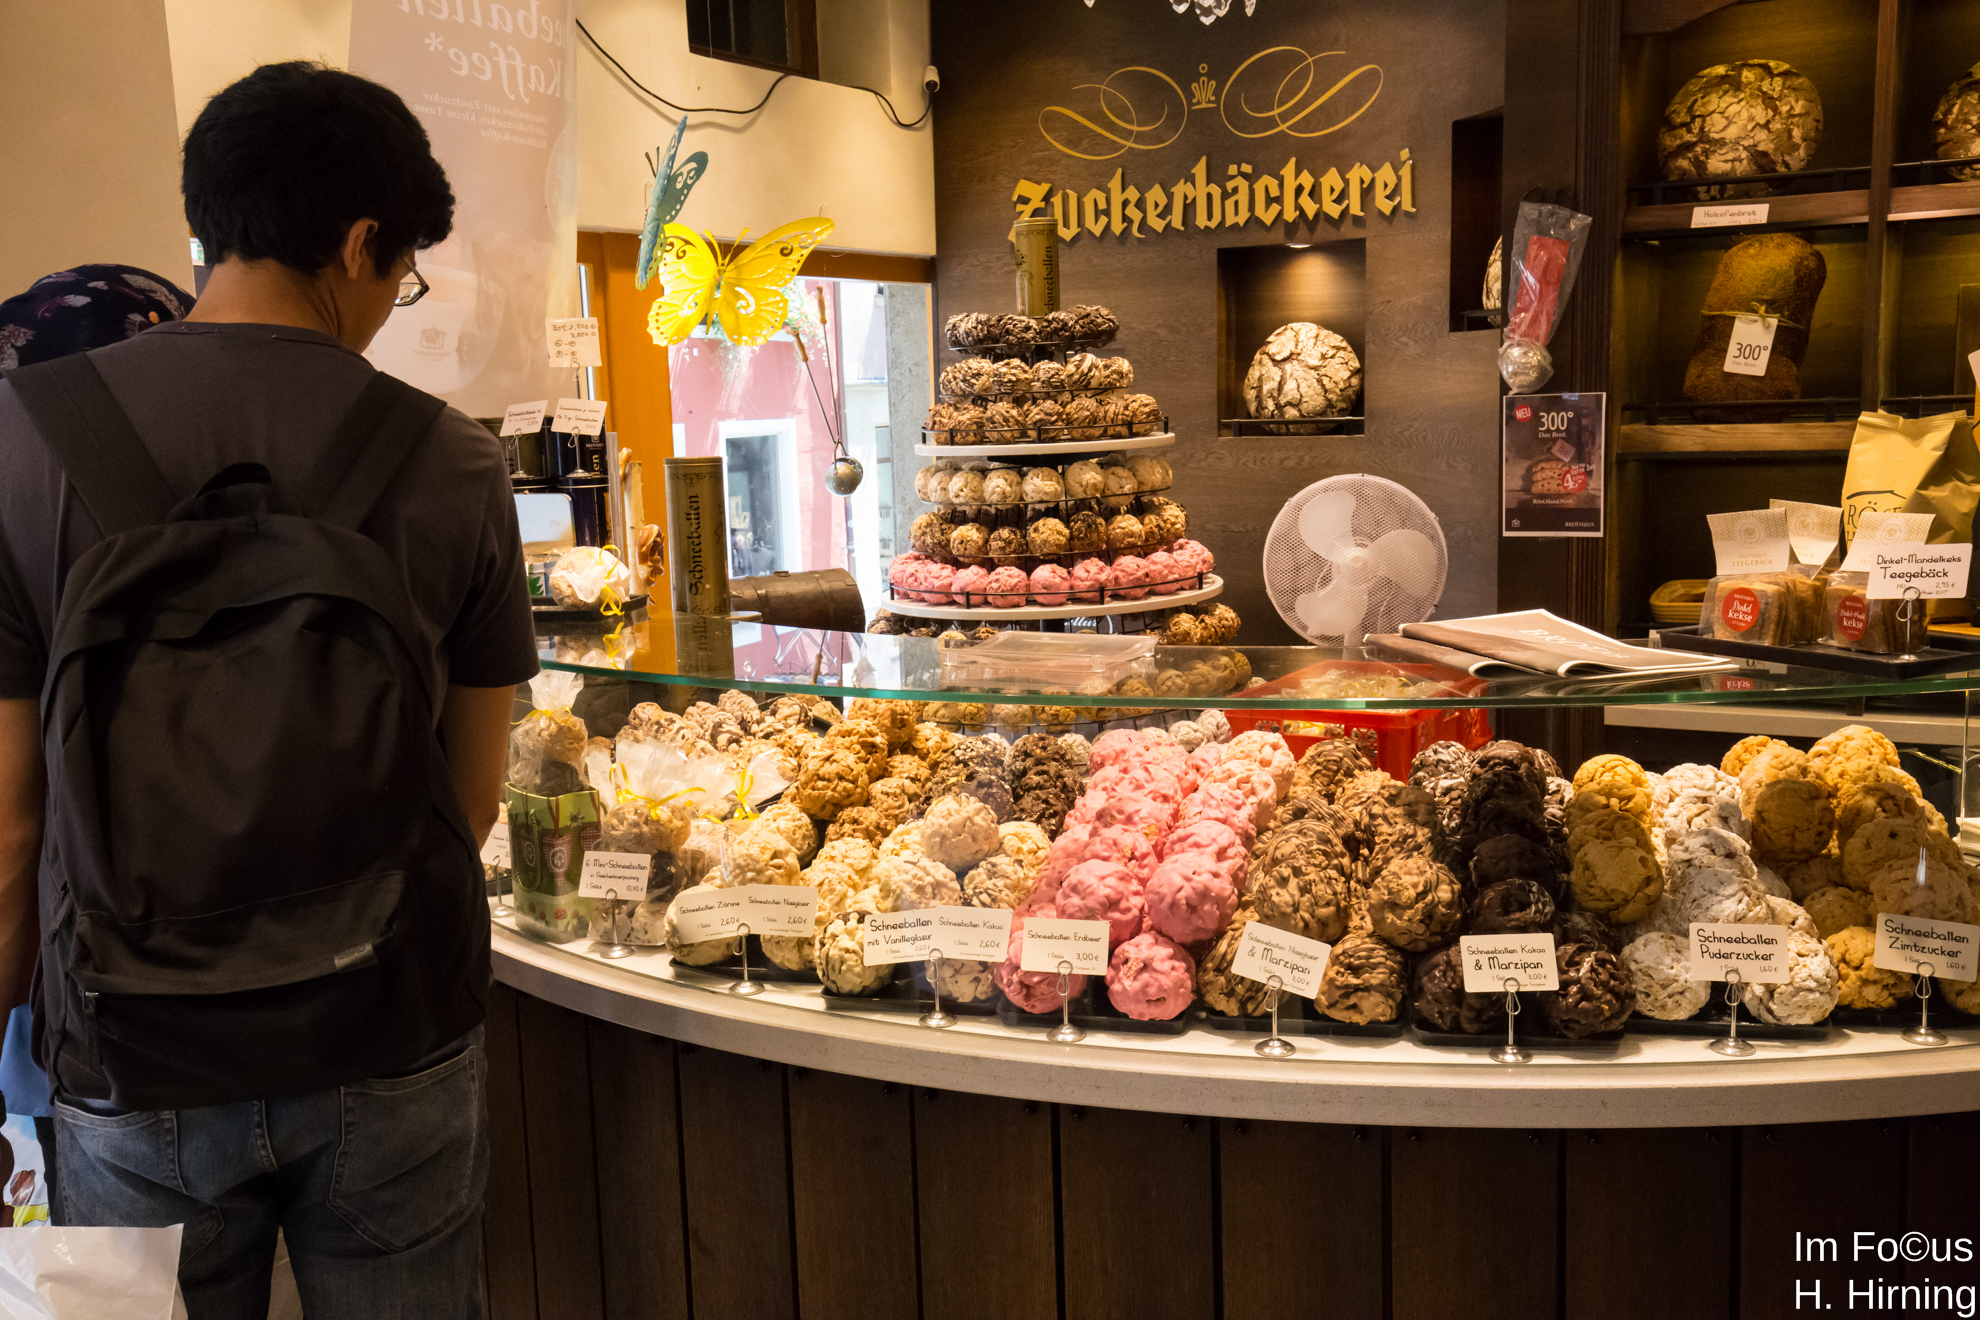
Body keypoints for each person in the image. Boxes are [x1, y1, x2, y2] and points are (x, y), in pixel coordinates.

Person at [0, 62, 535, 1318]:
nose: (389, 304)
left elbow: (12, 826)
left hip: (130, 1046)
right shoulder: (454, 460)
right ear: (357, 244)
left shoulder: (23, 442)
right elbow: (472, 797)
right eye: (401, 274)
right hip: (389, 1028)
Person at [0, 263, 199, 1212]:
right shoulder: (243, 508)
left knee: (119, 1271)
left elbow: (12, 834)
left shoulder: (24, 536)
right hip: (290, 987)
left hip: (91, 1004)